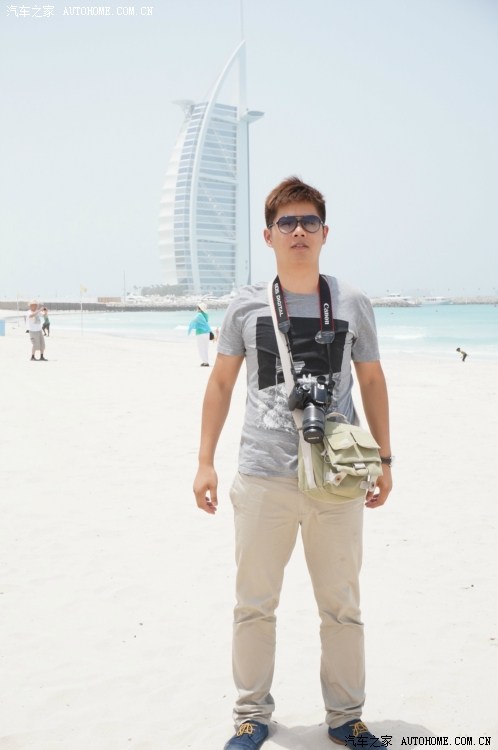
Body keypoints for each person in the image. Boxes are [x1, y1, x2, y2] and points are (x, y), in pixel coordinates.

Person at [193, 177, 393, 750]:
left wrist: (385, 458)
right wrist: (205, 462)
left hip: (338, 476)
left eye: (308, 222)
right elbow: (221, 383)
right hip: (262, 474)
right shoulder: (246, 304)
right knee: (254, 605)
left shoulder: (352, 302)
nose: (298, 231)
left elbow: (372, 380)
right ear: (269, 235)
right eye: (287, 222)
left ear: (325, 233)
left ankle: (346, 717)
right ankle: (251, 715)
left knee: (342, 606)